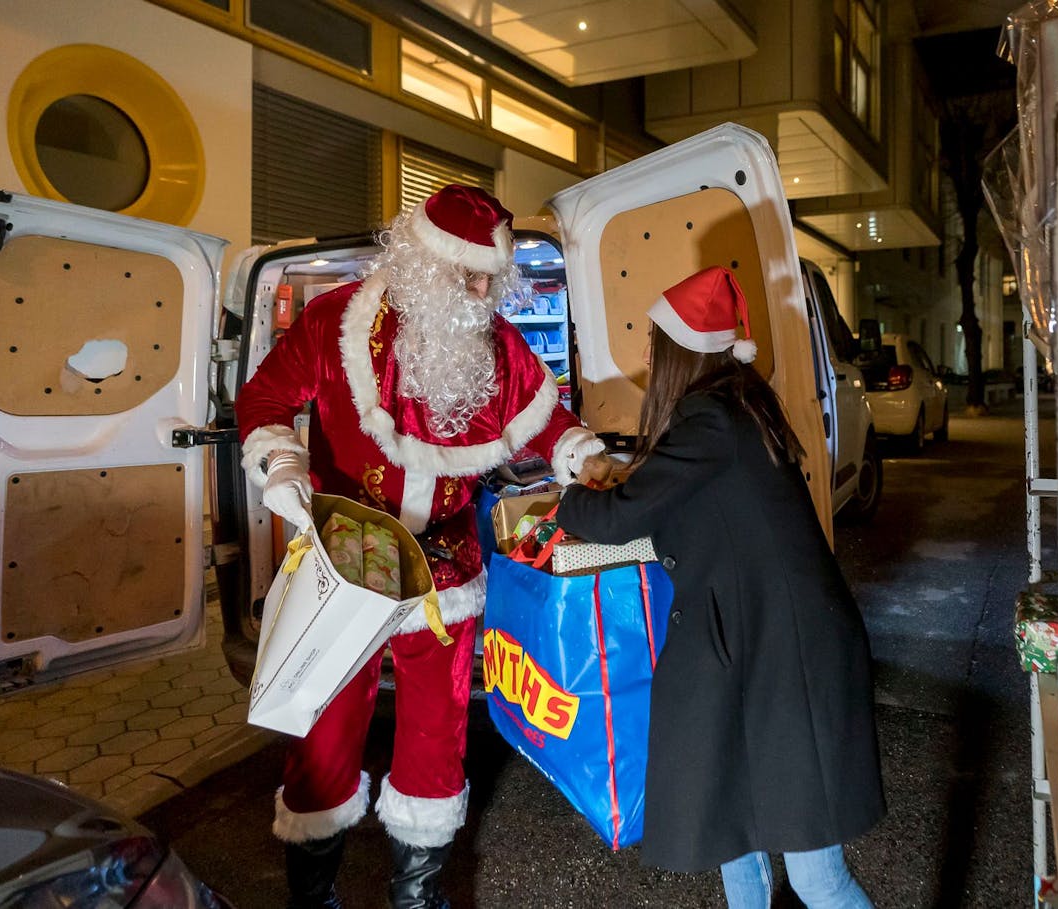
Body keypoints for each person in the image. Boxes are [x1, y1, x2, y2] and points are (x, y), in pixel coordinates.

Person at [236, 184, 604, 909]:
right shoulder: (337, 322)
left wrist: (583, 454)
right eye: (463, 273)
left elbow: (544, 415)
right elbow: (265, 399)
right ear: (419, 261)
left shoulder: (495, 347)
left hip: (446, 569)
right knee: (325, 730)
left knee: (437, 737)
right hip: (348, 564)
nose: (476, 290)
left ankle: (418, 897)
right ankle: (312, 897)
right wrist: (280, 462)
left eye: (487, 277)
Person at [556, 266, 885, 908]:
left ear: (681, 351)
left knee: (817, 877)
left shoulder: (711, 419)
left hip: (787, 663)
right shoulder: (733, 405)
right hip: (749, 649)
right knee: (733, 835)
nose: (647, 353)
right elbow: (685, 507)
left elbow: (620, 516)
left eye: (655, 341)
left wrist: (566, 488)